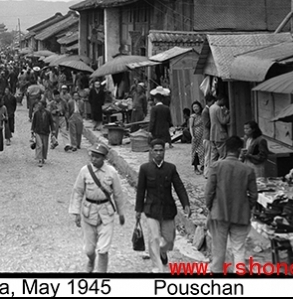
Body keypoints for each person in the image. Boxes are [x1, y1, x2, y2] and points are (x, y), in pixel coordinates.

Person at [69, 143, 126, 273]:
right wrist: (76, 213)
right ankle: (91, 260)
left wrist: (121, 213)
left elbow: (118, 194)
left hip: (106, 212)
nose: (93, 159)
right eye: (92, 156)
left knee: (103, 249)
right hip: (88, 212)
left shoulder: (111, 172)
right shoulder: (85, 171)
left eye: (97, 157)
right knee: (89, 249)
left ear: (104, 158)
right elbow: (78, 191)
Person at [136, 139, 191, 272]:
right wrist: (138, 210)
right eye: (156, 150)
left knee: (169, 240)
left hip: (168, 210)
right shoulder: (145, 169)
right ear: (151, 152)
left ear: (164, 152)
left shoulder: (170, 168)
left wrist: (186, 204)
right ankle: (157, 267)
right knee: (154, 238)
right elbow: (141, 190)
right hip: (151, 209)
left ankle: (162, 251)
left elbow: (179, 187)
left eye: (161, 150)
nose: (159, 153)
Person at [205, 136, 258, 274]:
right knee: (239, 250)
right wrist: (247, 207)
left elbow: (209, 192)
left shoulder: (216, 166)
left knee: (218, 252)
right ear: (240, 150)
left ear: (226, 150)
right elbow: (253, 195)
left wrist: (210, 208)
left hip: (219, 213)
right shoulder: (248, 170)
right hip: (241, 214)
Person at [31, 101, 56, 167]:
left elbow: (51, 122)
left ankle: (43, 157)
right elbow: (34, 122)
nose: (38, 106)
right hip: (38, 131)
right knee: (40, 145)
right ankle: (39, 159)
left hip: (45, 132)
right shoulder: (36, 113)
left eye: (40, 105)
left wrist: (53, 130)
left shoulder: (48, 113)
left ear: (43, 106)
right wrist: (32, 130)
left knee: (45, 146)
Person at [209, 95, 230, 162]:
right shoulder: (218, 108)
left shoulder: (211, 107)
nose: (224, 102)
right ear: (221, 99)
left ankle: (212, 169)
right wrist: (227, 114)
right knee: (223, 155)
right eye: (224, 100)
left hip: (213, 134)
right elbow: (223, 121)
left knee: (214, 155)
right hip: (220, 133)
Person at [189, 101, 205, 175]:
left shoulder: (202, 115)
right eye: (194, 107)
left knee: (203, 150)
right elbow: (191, 127)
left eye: (197, 106)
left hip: (203, 135)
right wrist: (192, 136)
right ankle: (195, 167)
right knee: (195, 151)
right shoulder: (193, 117)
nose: (195, 108)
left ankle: (203, 165)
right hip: (196, 136)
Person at [201, 94, 215, 178]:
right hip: (207, 136)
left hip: (208, 136)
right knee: (208, 155)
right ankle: (206, 173)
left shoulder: (207, 110)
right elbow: (207, 124)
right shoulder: (205, 111)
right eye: (212, 102)